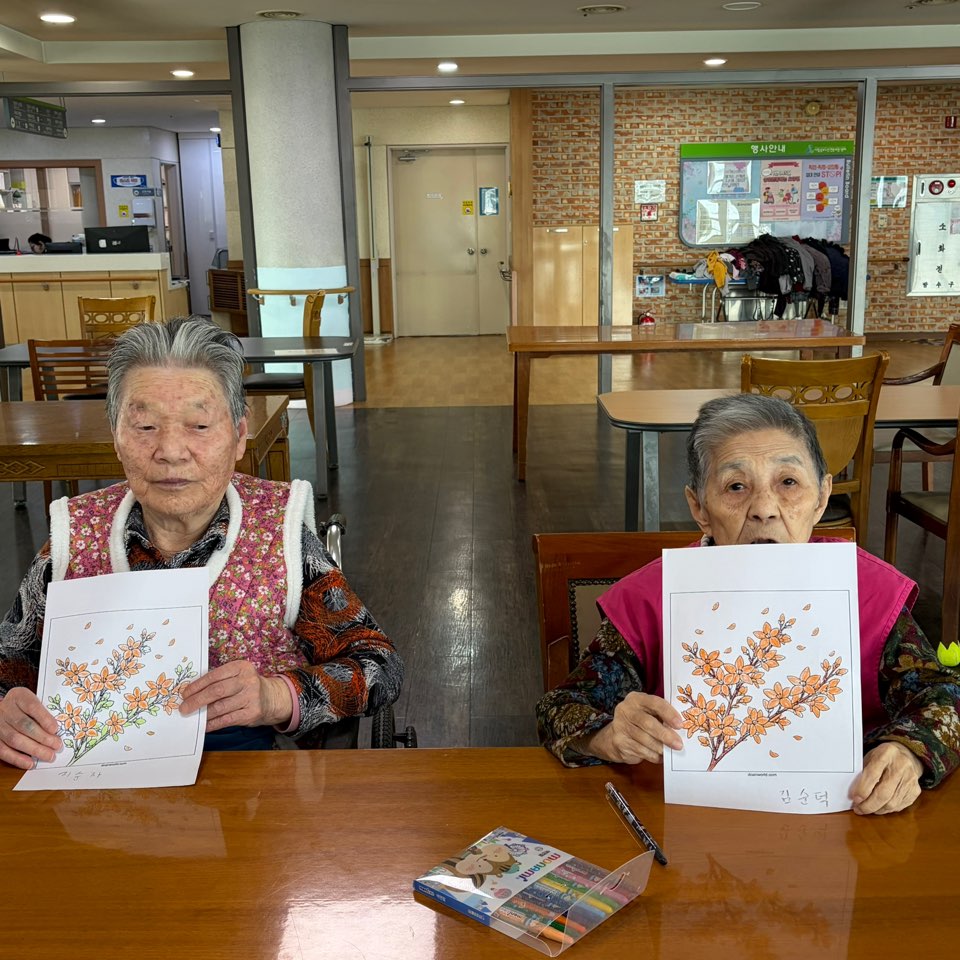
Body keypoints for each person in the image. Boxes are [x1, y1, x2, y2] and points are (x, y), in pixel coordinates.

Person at [0, 317, 403, 766]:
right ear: (116, 436)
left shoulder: (279, 534)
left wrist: (275, 696)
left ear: (239, 435)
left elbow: (379, 665)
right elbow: (8, 662)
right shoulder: (76, 538)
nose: (171, 451)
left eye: (199, 425)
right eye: (145, 426)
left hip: (256, 786)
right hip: (100, 790)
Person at [537, 393, 960, 815]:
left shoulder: (868, 593)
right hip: (688, 822)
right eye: (736, 487)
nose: (764, 510)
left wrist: (909, 752)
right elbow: (560, 708)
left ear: (821, 497)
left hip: (850, 821)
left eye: (788, 483)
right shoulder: (652, 598)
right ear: (699, 507)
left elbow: (944, 696)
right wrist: (607, 735)